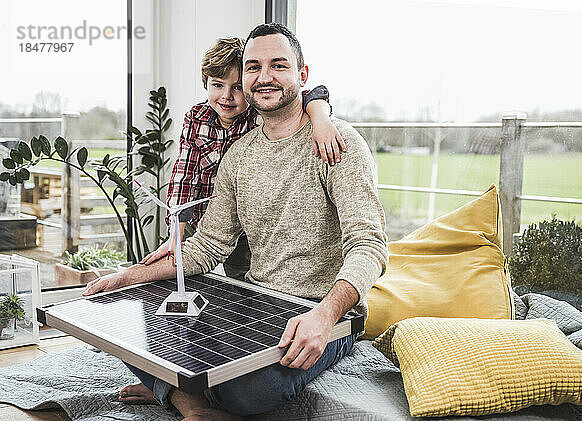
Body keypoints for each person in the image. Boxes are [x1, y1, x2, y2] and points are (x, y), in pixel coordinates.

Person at [84, 23, 388, 421]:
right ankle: (188, 401)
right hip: (256, 299)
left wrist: (325, 315)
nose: (264, 77)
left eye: (278, 65)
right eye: (253, 67)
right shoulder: (239, 156)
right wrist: (129, 276)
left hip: (324, 313)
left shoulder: (337, 143)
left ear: (303, 75)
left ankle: (174, 391)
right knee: (137, 333)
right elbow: (208, 244)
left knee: (248, 390)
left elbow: (370, 245)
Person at [141, 37, 344, 282]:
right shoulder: (196, 118)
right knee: (184, 274)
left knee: (242, 283)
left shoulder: (259, 116)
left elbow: (314, 93)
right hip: (198, 221)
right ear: (205, 84)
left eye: (237, 87)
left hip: (245, 230)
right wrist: (176, 234)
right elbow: (184, 176)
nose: (226, 96)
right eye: (217, 85)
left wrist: (321, 118)